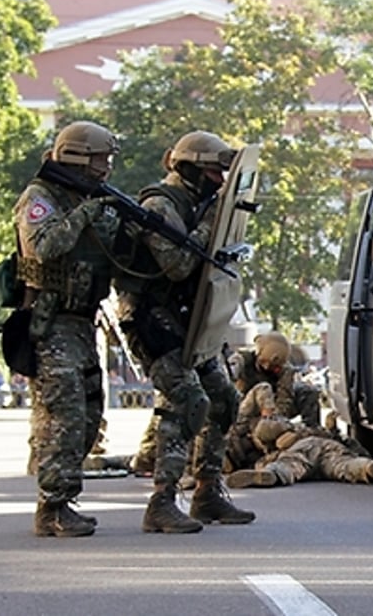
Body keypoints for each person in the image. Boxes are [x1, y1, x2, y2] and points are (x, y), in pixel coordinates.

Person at [114, 130, 254, 534]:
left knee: (223, 398)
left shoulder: (199, 203)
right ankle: (162, 499)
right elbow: (178, 265)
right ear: (191, 168)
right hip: (151, 317)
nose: (220, 181)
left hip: (189, 316)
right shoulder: (160, 205)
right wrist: (212, 224)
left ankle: (208, 491)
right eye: (214, 172)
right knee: (185, 400)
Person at [13, 121, 122, 537]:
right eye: (100, 158)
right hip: (51, 324)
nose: (106, 168)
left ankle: (63, 499)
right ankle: (52, 507)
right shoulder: (40, 198)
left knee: (91, 415)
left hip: (83, 324)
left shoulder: (87, 198)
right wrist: (85, 214)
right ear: (76, 156)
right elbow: (43, 248)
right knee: (66, 416)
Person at [224, 331, 321, 473]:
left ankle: (311, 434)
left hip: (271, 414)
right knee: (263, 389)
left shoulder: (285, 371)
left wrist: (276, 426)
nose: (270, 368)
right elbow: (227, 381)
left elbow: (284, 401)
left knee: (308, 391)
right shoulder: (242, 361)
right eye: (267, 364)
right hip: (244, 410)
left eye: (276, 367)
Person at [225, 415, 373, 488]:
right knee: (344, 465)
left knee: (289, 465)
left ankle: (271, 476)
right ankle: (368, 469)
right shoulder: (307, 429)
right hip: (330, 446)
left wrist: (262, 466)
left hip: (304, 451)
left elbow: (285, 459)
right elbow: (346, 443)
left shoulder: (285, 446)